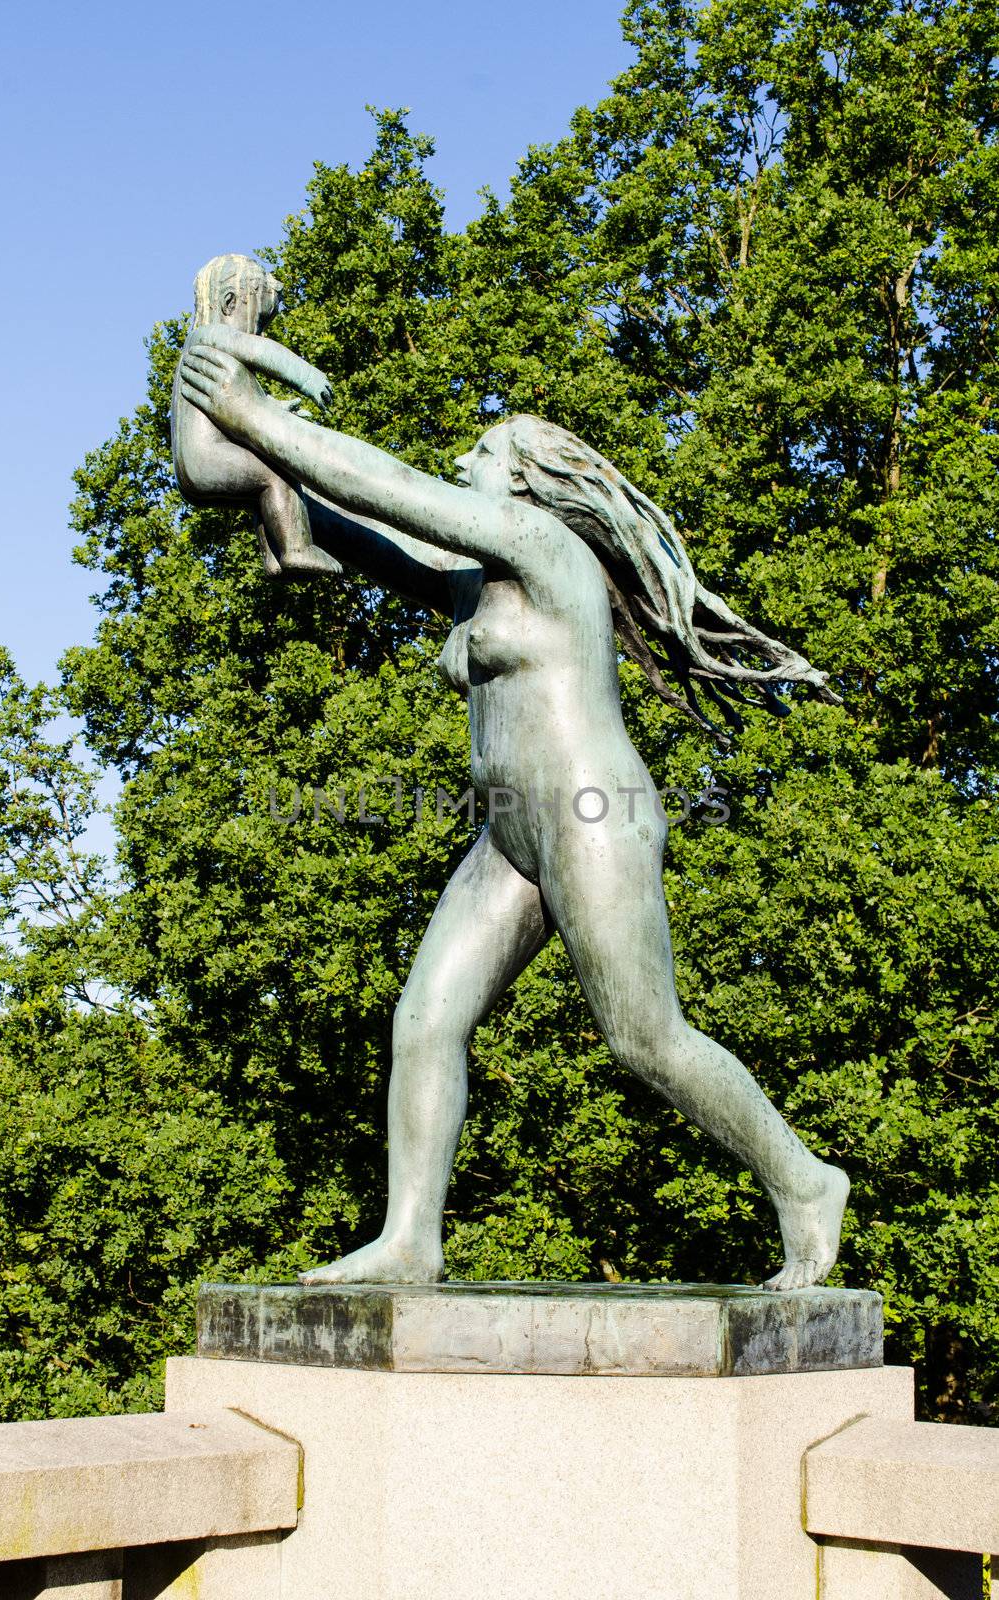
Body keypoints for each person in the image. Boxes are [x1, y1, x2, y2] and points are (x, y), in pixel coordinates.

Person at [180, 340, 850, 1292]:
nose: (466, 464)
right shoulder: (472, 580)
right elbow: (356, 519)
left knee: (643, 1037)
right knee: (425, 1020)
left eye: (486, 454)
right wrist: (255, 461)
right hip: (510, 832)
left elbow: (396, 487)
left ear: (529, 484)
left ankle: (804, 1181)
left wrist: (260, 417)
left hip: (590, 815)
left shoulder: (547, 549)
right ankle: (411, 1238)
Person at [171, 254, 340, 577]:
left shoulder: (204, 353)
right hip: (207, 456)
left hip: (198, 462)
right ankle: (296, 549)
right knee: (276, 471)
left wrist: (276, 408)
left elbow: (237, 406)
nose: (257, 333)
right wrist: (306, 376)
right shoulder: (209, 336)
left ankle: (273, 558)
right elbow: (261, 351)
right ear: (229, 302)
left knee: (258, 489)